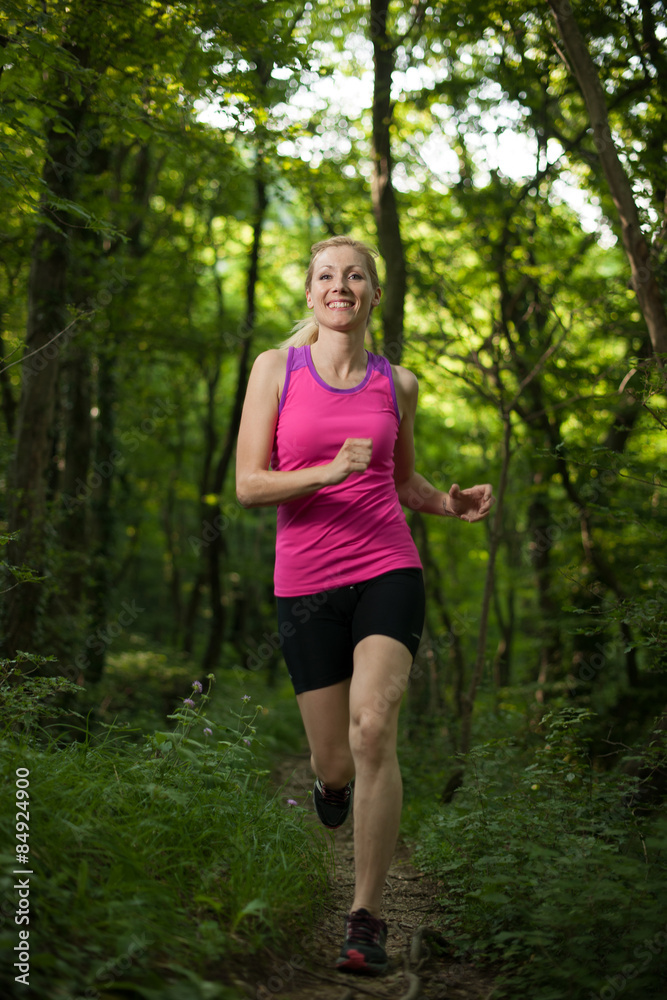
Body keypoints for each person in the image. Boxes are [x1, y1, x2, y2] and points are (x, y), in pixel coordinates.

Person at [235, 235, 495, 976]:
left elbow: (399, 483)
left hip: (387, 566)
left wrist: (447, 502)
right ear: (310, 293)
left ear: (374, 294)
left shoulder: (398, 385)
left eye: (354, 276)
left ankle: (366, 917)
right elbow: (249, 485)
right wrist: (323, 471)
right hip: (305, 582)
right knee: (335, 757)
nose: (339, 285)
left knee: (374, 727)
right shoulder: (273, 370)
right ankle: (331, 784)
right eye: (326, 276)